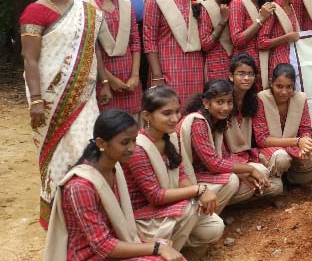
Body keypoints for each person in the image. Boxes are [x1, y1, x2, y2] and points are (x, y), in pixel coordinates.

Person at [20, 0, 112, 228]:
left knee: (88, 147)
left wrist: (104, 82)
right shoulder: (34, 12)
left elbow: (93, 48)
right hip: (50, 98)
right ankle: (60, 214)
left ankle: (88, 209)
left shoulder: (86, 9)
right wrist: (36, 100)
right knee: (59, 151)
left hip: (85, 95)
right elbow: (30, 59)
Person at [44, 109, 183, 261]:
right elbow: (102, 245)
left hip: (114, 244)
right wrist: (156, 247)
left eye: (134, 140)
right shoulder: (81, 186)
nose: (132, 148)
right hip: (88, 255)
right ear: (101, 143)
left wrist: (153, 245)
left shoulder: (114, 168)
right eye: (125, 142)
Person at [123, 86, 224, 250]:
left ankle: (174, 244)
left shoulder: (169, 136)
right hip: (144, 217)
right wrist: (198, 190)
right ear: (147, 116)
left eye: (177, 111)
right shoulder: (138, 148)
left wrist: (198, 193)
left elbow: (181, 175)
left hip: (168, 208)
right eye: (167, 113)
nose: (175, 118)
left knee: (214, 227)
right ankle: (162, 251)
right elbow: (155, 196)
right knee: (191, 206)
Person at [177, 79, 273, 212]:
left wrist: (244, 173)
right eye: (219, 102)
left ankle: (211, 211)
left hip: (206, 174)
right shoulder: (198, 123)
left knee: (258, 176)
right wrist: (249, 170)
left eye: (229, 102)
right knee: (233, 180)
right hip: (187, 178)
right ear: (206, 103)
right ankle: (202, 216)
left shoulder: (216, 122)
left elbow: (224, 157)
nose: (226, 108)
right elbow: (213, 163)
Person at [142, 0, 205, 110]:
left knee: (193, 113)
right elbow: (149, 41)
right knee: (168, 112)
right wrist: (157, 76)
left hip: (195, 68)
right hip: (167, 68)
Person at [254, 63, 312, 194]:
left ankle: (292, 181)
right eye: (279, 86)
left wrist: (306, 144)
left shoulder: (300, 98)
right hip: (269, 150)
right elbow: (262, 140)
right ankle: (276, 182)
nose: (284, 92)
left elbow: (305, 129)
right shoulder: (261, 98)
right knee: (281, 157)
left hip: (294, 146)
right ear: (271, 83)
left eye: (289, 87)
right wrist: (298, 142)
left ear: (294, 85)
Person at [86, 0, 142, 115]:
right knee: (108, 124)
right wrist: (109, 80)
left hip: (130, 76)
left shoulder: (126, 3)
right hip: (102, 77)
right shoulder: (85, 6)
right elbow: (89, 50)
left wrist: (135, 76)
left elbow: (135, 42)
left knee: (132, 123)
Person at [224, 53, 281, 193]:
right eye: (241, 73)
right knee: (260, 173)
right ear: (231, 76)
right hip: (226, 161)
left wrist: (257, 157)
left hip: (245, 157)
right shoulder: (223, 102)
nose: (246, 78)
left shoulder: (253, 102)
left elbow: (257, 139)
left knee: (277, 186)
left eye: (250, 74)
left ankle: (247, 194)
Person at [228, 0, 276, 88]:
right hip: (244, 68)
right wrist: (261, 19)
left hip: (263, 64)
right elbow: (237, 40)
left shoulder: (264, 5)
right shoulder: (237, 3)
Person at [258, 0, 303, 80]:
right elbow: (261, 42)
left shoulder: (292, 7)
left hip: (294, 62)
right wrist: (286, 37)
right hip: (278, 65)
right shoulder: (272, 9)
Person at [199, 0, 238, 81]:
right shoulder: (206, 7)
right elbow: (205, 44)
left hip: (235, 65)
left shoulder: (235, 5)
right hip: (215, 65)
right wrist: (223, 20)